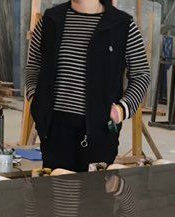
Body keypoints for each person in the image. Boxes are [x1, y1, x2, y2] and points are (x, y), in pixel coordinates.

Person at [23, 0, 151, 172]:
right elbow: (33, 67)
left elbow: (141, 74)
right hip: (56, 130)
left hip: (100, 132)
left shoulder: (122, 25)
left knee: (96, 188)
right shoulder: (51, 20)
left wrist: (122, 110)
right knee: (56, 187)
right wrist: (36, 100)